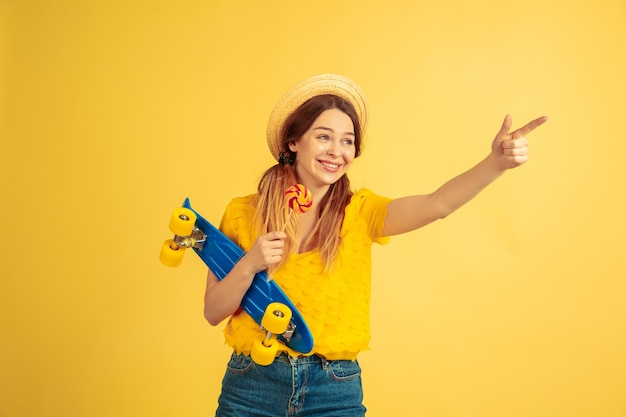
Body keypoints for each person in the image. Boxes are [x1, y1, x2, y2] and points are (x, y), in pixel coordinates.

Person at [203, 74, 548, 417]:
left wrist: (496, 164)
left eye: (347, 141)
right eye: (323, 137)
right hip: (252, 385)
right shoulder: (243, 213)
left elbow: (437, 205)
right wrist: (249, 264)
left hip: (333, 389)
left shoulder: (361, 212)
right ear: (294, 141)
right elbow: (213, 311)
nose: (336, 152)